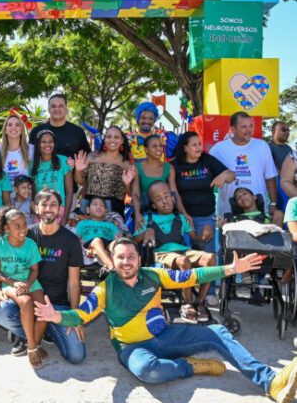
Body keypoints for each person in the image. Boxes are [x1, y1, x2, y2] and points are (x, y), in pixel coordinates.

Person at [35, 238, 297, 403]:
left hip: (166, 336)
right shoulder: (105, 288)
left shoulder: (153, 274)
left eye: (130, 256)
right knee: (148, 372)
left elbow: (192, 277)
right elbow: (80, 314)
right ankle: (191, 366)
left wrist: (230, 269)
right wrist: (57, 316)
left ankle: (270, 381)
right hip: (132, 349)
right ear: (112, 261)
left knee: (217, 332)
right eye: (120, 257)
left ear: (139, 259)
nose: (126, 262)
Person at [0, 188, 86, 365]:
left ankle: (45, 331)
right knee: (1, 312)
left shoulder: (71, 240)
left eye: (53, 205)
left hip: (57, 305)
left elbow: (75, 283)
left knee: (76, 355)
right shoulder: (25, 234)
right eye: (44, 205)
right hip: (26, 297)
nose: (48, 209)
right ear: (36, 208)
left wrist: (75, 316)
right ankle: (31, 338)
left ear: (60, 209)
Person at [134, 181, 215, 323]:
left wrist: (205, 231)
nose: (164, 201)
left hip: (184, 251)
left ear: (173, 198)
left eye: (166, 196)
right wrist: (146, 232)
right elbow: (134, 241)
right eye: (159, 199)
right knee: (184, 261)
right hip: (161, 255)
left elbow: (195, 238)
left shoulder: (181, 218)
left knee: (210, 258)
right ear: (154, 205)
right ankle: (187, 303)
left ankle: (199, 302)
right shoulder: (147, 219)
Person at [0, 207, 47, 369]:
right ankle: (31, 348)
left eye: (24, 225)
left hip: (30, 282)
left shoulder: (30, 245)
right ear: (6, 228)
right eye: (17, 226)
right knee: (26, 302)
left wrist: (28, 284)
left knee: (43, 309)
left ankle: (36, 343)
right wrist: (14, 282)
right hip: (9, 283)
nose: (23, 229)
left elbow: (35, 270)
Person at [170, 131, 235, 252]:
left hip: (206, 218)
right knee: (183, 257)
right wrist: (184, 214)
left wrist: (223, 175)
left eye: (199, 144)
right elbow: (173, 193)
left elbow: (231, 176)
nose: (199, 147)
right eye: (194, 145)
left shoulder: (207, 160)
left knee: (207, 257)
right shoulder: (174, 165)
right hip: (182, 218)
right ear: (185, 148)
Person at [210, 112, 278, 219]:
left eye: (250, 126)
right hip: (228, 213)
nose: (249, 130)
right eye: (244, 127)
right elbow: (209, 178)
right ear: (233, 129)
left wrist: (273, 203)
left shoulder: (262, 146)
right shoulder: (218, 150)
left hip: (258, 213)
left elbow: (270, 177)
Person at [74, 126, 135, 219]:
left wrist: (127, 185)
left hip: (114, 212)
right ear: (104, 139)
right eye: (109, 136)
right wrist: (78, 170)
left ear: (122, 140)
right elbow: (80, 181)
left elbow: (130, 193)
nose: (112, 140)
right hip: (90, 210)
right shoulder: (92, 157)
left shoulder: (127, 164)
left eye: (116, 137)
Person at [29, 93, 90, 160]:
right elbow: (29, 157)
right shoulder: (36, 132)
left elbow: (87, 156)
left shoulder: (78, 132)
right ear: (49, 109)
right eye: (53, 106)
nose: (57, 109)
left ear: (66, 109)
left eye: (61, 106)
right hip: (41, 167)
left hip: (72, 167)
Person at [30, 130, 73, 225]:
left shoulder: (63, 161)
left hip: (59, 210)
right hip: (41, 212)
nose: (47, 144)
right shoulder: (33, 165)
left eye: (50, 141)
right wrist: (36, 211)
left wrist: (65, 216)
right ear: (38, 144)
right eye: (43, 142)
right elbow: (33, 194)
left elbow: (69, 191)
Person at [132, 135, 170, 229]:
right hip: (144, 213)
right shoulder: (137, 167)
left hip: (164, 212)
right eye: (154, 146)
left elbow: (174, 193)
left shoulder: (169, 168)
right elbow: (135, 194)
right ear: (146, 150)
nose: (159, 149)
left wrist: (182, 213)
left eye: (160, 146)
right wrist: (137, 214)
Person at [76, 197, 119, 269]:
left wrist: (118, 239)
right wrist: (79, 241)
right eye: (95, 204)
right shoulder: (82, 223)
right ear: (88, 209)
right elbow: (77, 236)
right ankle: (111, 267)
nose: (99, 207)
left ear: (105, 211)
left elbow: (117, 236)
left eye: (102, 205)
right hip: (90, 247)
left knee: (117, 244)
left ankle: (119, 264)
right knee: (97, 241)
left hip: (108, 245)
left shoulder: (111, 225)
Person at [1, 114, 34, 185]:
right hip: (5, 192)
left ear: (22, 130)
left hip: (27, 192)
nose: (13, 127)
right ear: (5, 130)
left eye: (17, 125)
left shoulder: (31, 149)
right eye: (10, 125)